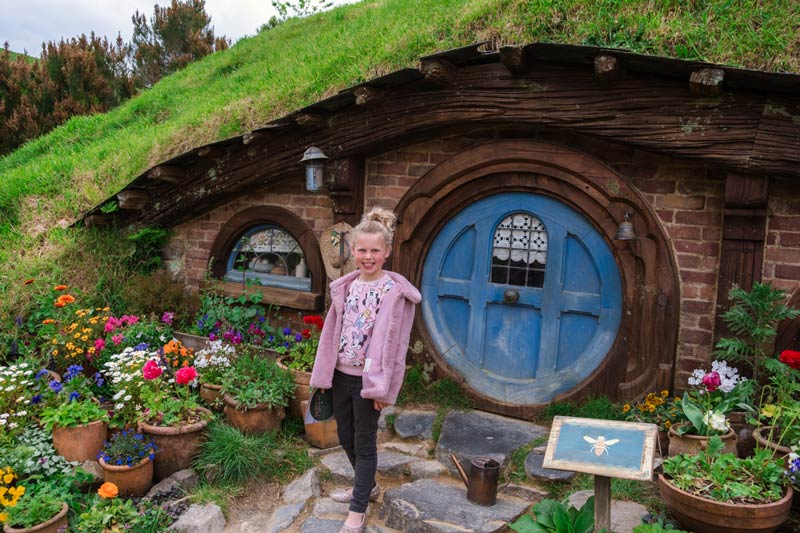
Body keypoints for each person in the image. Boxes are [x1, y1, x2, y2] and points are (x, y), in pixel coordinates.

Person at [310, 207, 421, 533]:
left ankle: (358, 509)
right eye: (362, 250)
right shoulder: (345, 287)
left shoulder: (393, 292)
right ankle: (367, 487)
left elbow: (396, 347)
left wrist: (385, 388)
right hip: (341, 375)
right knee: (345, 436)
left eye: (375, 250)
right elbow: (334, 333)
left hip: (369, 381)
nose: (368, 256)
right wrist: (325, 374)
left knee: (364, 440)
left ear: (386, 252)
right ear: (352, 251)